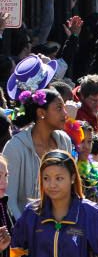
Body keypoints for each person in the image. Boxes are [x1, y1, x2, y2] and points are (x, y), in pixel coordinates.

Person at [3, 86, 75, 221]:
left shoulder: (64, 141)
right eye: (59, 108)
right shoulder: (15, 148)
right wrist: (26, 231)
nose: (65, 114)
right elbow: (9, 201)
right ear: (41, 113)